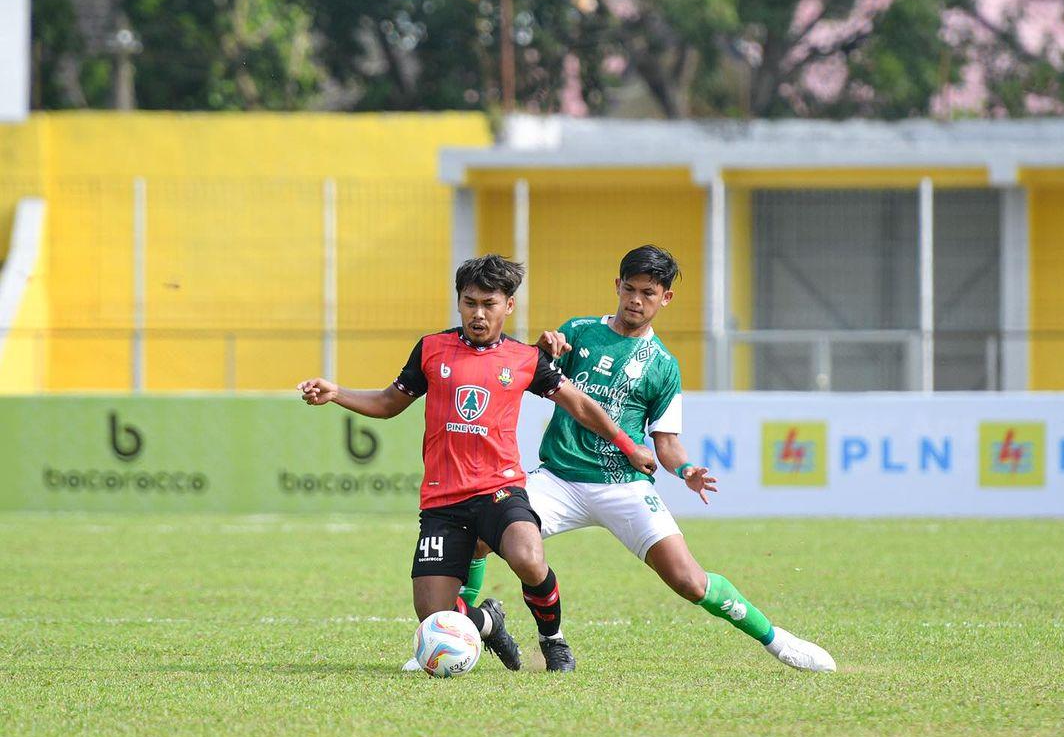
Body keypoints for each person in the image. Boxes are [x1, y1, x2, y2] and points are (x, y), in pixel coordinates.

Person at [466, 245, 836, 673]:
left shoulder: (663, 366)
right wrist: (546, 345)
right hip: (558, 479)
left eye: (648, 292)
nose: (635, 301)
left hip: (624, 486)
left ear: (666, 298)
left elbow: (666, 443)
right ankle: (454, 631)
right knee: (478, 537)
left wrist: (686, 469)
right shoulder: (581, 331)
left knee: (690, 582)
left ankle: (778, 641)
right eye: (629, 289)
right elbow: (527, 368)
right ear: (617, 286)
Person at [298, 254, 656, 673]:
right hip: (441, 500)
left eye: (489, 304)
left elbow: (578, 403)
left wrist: (629, 447)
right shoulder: (432, 348)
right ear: (459, 302)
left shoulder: (525, 358)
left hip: (498, 489)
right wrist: (336, 392)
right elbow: (388, 402)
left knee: (528, 556)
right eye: (470, 303)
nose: (478, 314)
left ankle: (553, 641)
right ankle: (488, 622)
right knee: (434, 616)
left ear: (509, 306)